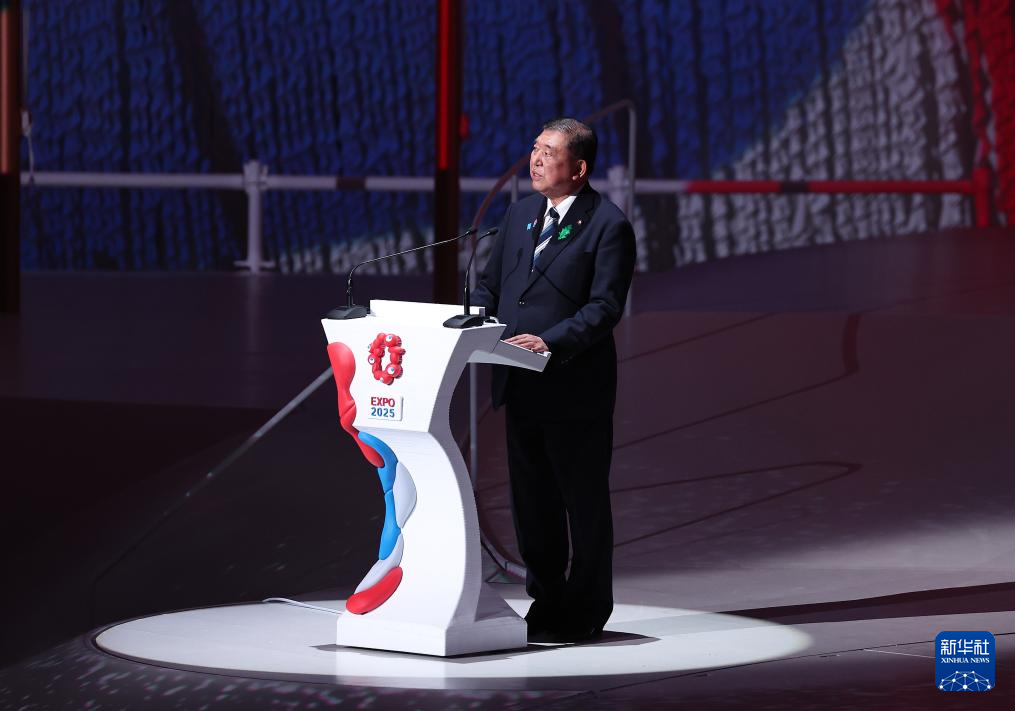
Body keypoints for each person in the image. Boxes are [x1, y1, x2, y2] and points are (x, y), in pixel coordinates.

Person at [471, 117, 636, 642]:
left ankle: (586, 609)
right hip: (520, 383)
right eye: (535, 148)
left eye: (549, 151)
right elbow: (492, 286)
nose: (536, 159)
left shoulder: (607, 225)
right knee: (532, 504)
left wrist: (550, 341)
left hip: (573, 386)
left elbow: (604, 307)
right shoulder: (520, 214)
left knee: (581, 503)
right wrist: (474, 318)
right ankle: (546, 602)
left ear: (579, 168)